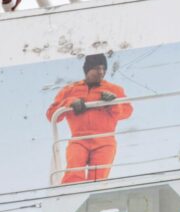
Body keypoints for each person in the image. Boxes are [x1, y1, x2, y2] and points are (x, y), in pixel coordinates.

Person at [46, 54, 133, 184]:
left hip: (105, 140)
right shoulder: (70, 90)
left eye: (103, 68)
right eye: (97, 68)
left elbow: (127, 112)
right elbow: (51, 115)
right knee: (73, 175)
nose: (101, 72)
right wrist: (69, 102)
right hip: (79, 139)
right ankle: (71, 198)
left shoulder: (114, 89)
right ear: (87, 70)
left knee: (98, 181)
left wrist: (113, 103)